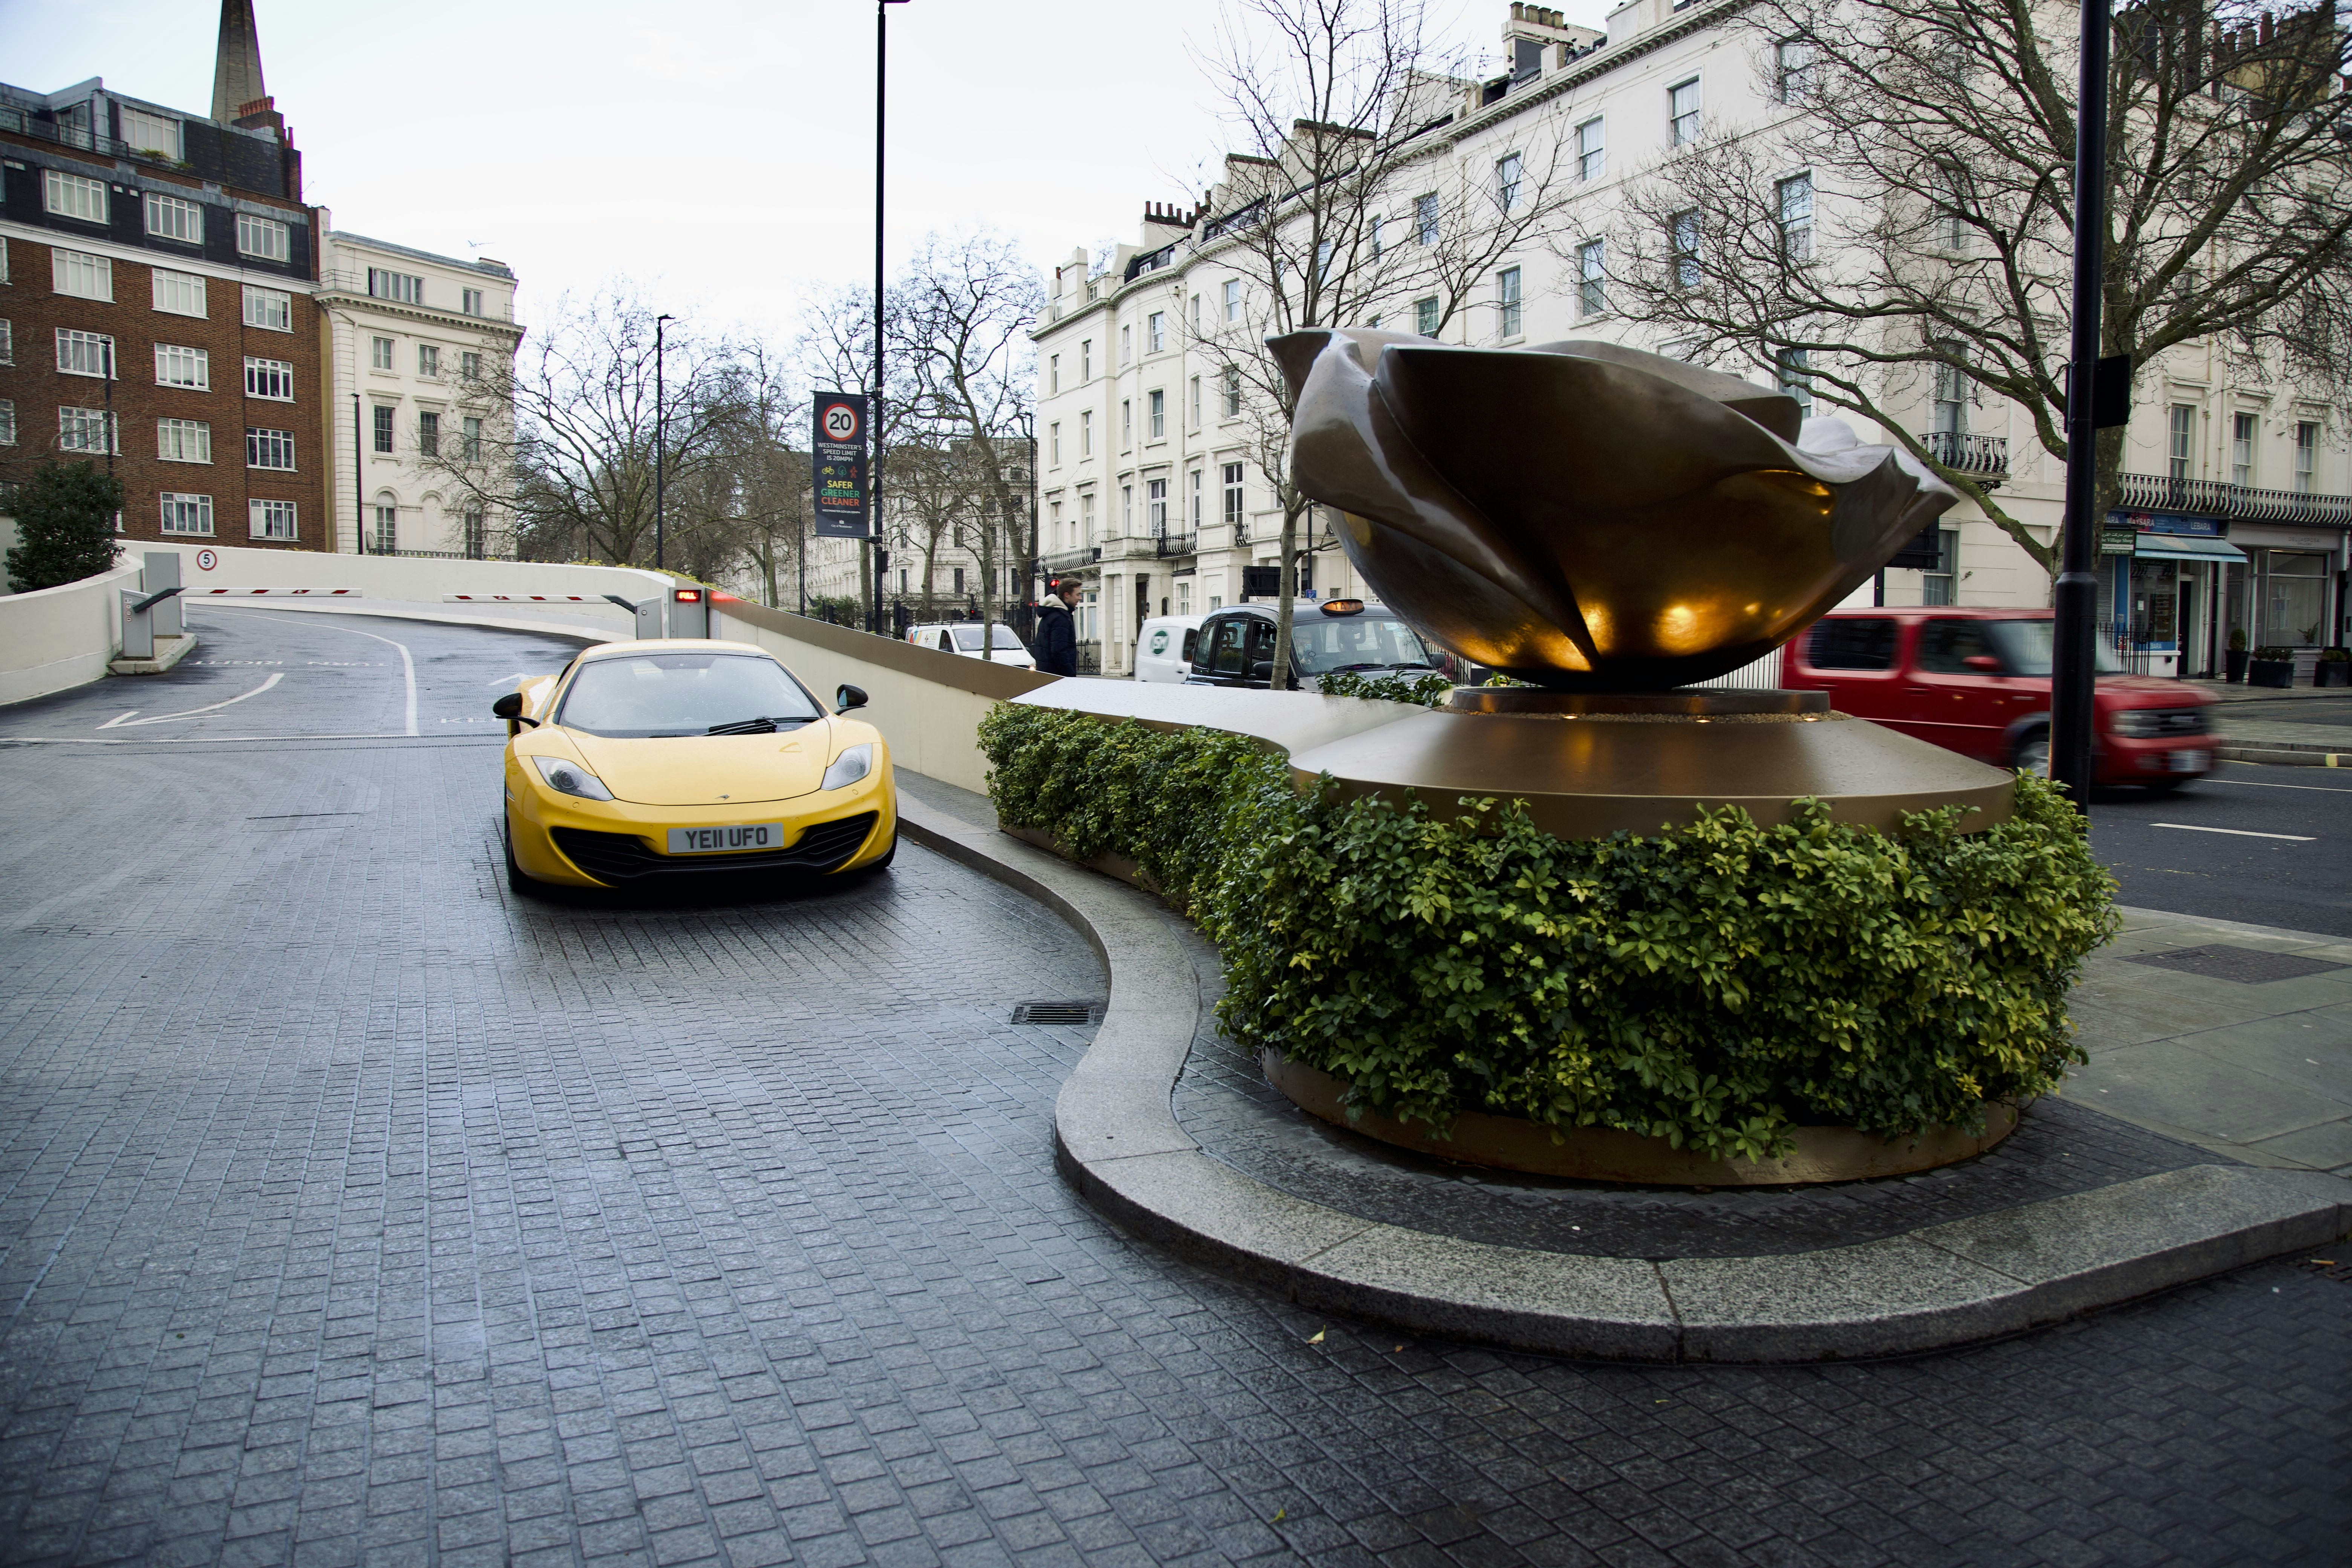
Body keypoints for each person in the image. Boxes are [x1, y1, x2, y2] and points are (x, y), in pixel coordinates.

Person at [1034, 578, 1081, 677]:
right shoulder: (1061, 618)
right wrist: (1070, 675)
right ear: (1067, 595)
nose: (1080, 598)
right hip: (1057, 676)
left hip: (1048, 674)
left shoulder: (1051, 614)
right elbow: (1058, 650)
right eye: (1077, 595)